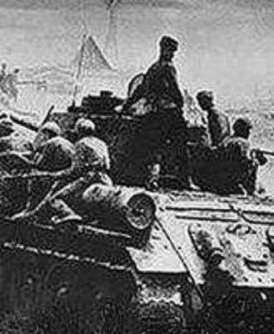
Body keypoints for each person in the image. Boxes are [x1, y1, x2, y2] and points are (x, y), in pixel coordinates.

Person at [120, 35, 186, 185]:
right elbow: (175, 89)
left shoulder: (152, 68)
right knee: (180, 145)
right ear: (163, 49)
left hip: (153, 112)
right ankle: (184, 180)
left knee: (153, 147)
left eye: (173, 52)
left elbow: (139, 90)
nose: (172, 55)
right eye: (170, 51)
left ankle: (151, 178)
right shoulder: (168, 67)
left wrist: (126, 105)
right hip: (169, 112)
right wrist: (180, 103)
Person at [20, 118, 111, 225]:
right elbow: (107, 164)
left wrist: (53, 175)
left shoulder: (81, 144)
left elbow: (75, 170)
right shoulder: (101, 143)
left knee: (55, 198)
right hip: (105, 179)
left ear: (79, 131)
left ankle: (68, 214)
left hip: (89, 178)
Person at [222, 118, 267, 195]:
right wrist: (256, 158)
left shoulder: (227, 140)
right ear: (242, 130)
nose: (249, 133)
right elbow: (244, 161)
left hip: (223, 174)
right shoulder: (242, 143)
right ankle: (252, 190)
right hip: (233, 177)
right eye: (247, 130)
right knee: (254, 163)